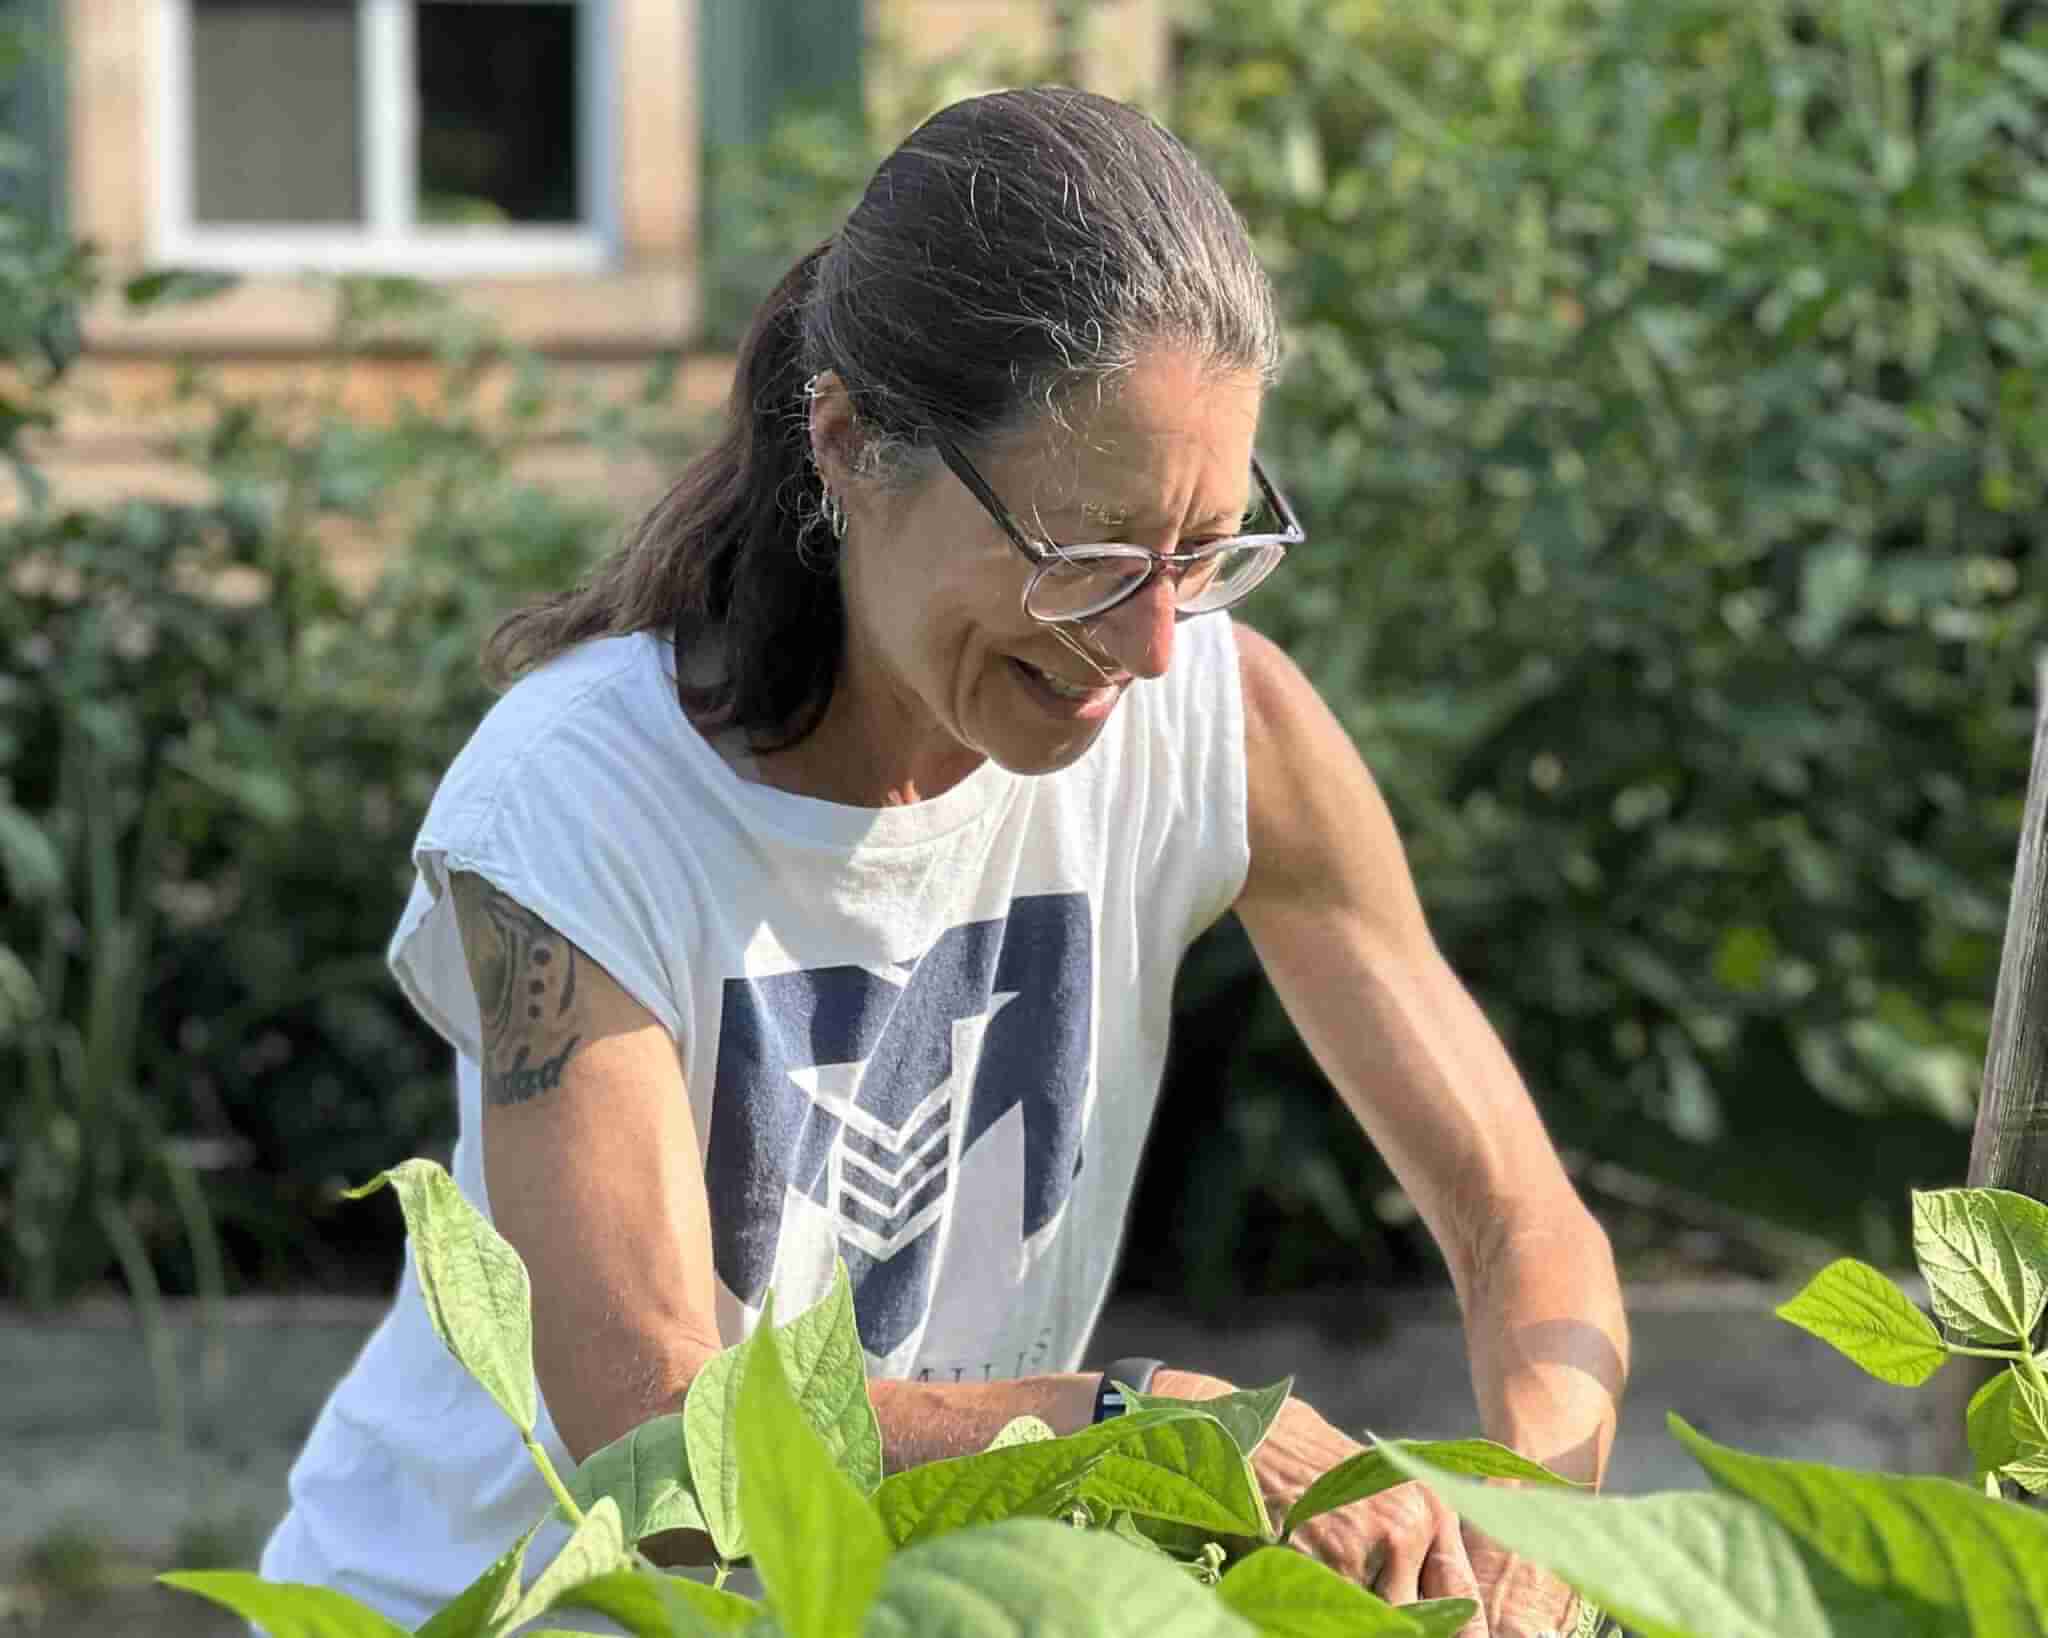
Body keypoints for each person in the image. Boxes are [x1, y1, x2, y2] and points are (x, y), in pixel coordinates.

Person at [259, 85, 1627, 1637]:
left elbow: (1526, 1226)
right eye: (1091, 557)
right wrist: (1138, 1427)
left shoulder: (1221, 729)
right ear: (848, 443)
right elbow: (653, 1432)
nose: (1155, 642)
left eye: (1207, 548)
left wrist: (1537, 1524)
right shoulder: (579, 799)